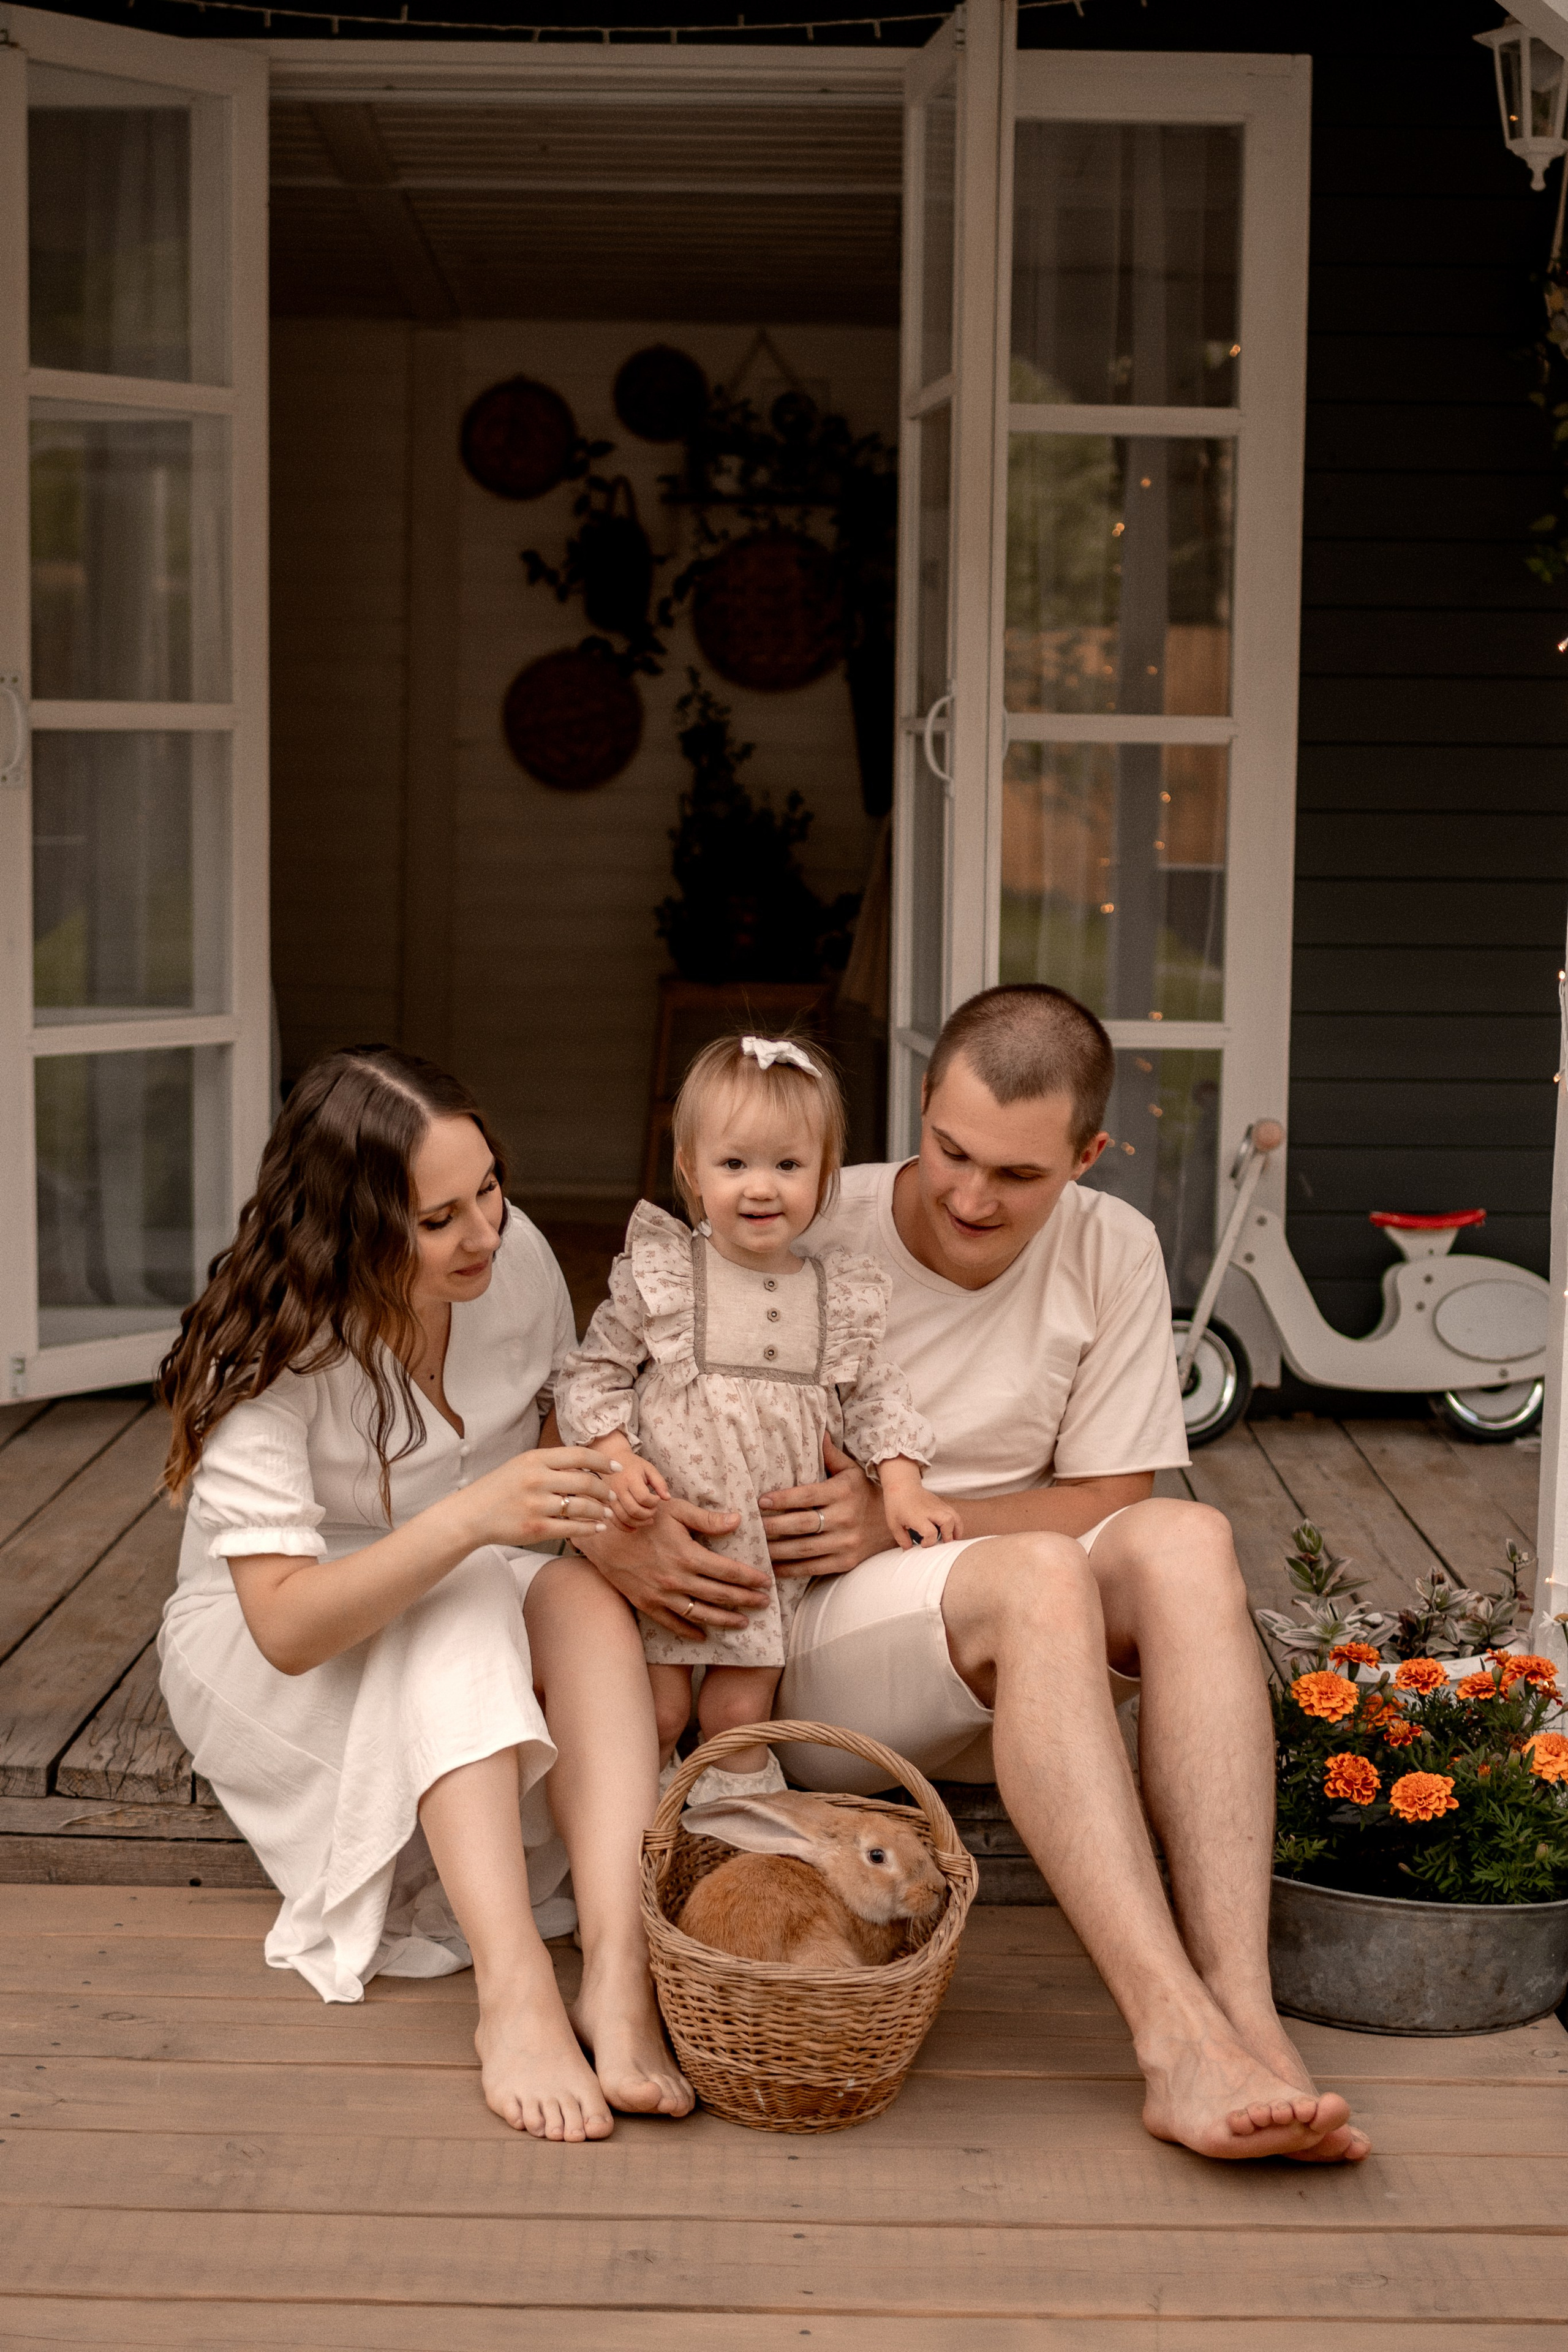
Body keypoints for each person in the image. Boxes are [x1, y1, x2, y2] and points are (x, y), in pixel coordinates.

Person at [571, 986, 1371, 2166]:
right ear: (922, 1108)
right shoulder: (795, 1199)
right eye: (950, 1151)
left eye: (1017, 1175)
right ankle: (1170, 2039)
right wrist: (626, 1533)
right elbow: (602, 1390)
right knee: (1042, 1573)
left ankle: (1243, 2011)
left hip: (997, 1630)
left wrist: (916, 1526)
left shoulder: (1114, 1247)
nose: (968, 1196)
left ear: (1087, 1155)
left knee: (1188, 1540)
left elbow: (1117, 1500)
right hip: (812, 1647)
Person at [156, 1046, 693, 2144]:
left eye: (488, 1187)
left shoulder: (515, 1257)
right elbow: (288, 1628)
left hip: (474, 1577)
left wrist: (618, 1502)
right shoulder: (265, 1351)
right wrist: (471, 1522)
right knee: (467, 1597)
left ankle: (616, 1971)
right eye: (438, 1218)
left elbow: (552, 1425)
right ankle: (516, 1997)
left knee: (582, 1606)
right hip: (278, 1645)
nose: (485, 1232)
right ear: (348, 1227)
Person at [556, 1032, 952, 1806]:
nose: (760, 1187)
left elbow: (876, 1399)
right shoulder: (667, 1273)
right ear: (691, 1173)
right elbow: (592, 1372)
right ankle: (633, 1842)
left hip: (764, 1560)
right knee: (659, 1707)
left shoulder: (836, 1295)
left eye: (787, 1165)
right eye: (734, 1164)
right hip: (661, 1532)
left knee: (738, 1712)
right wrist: (614, 1456)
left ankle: (731, 1846)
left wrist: (900, 1487)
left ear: (824, 1177)